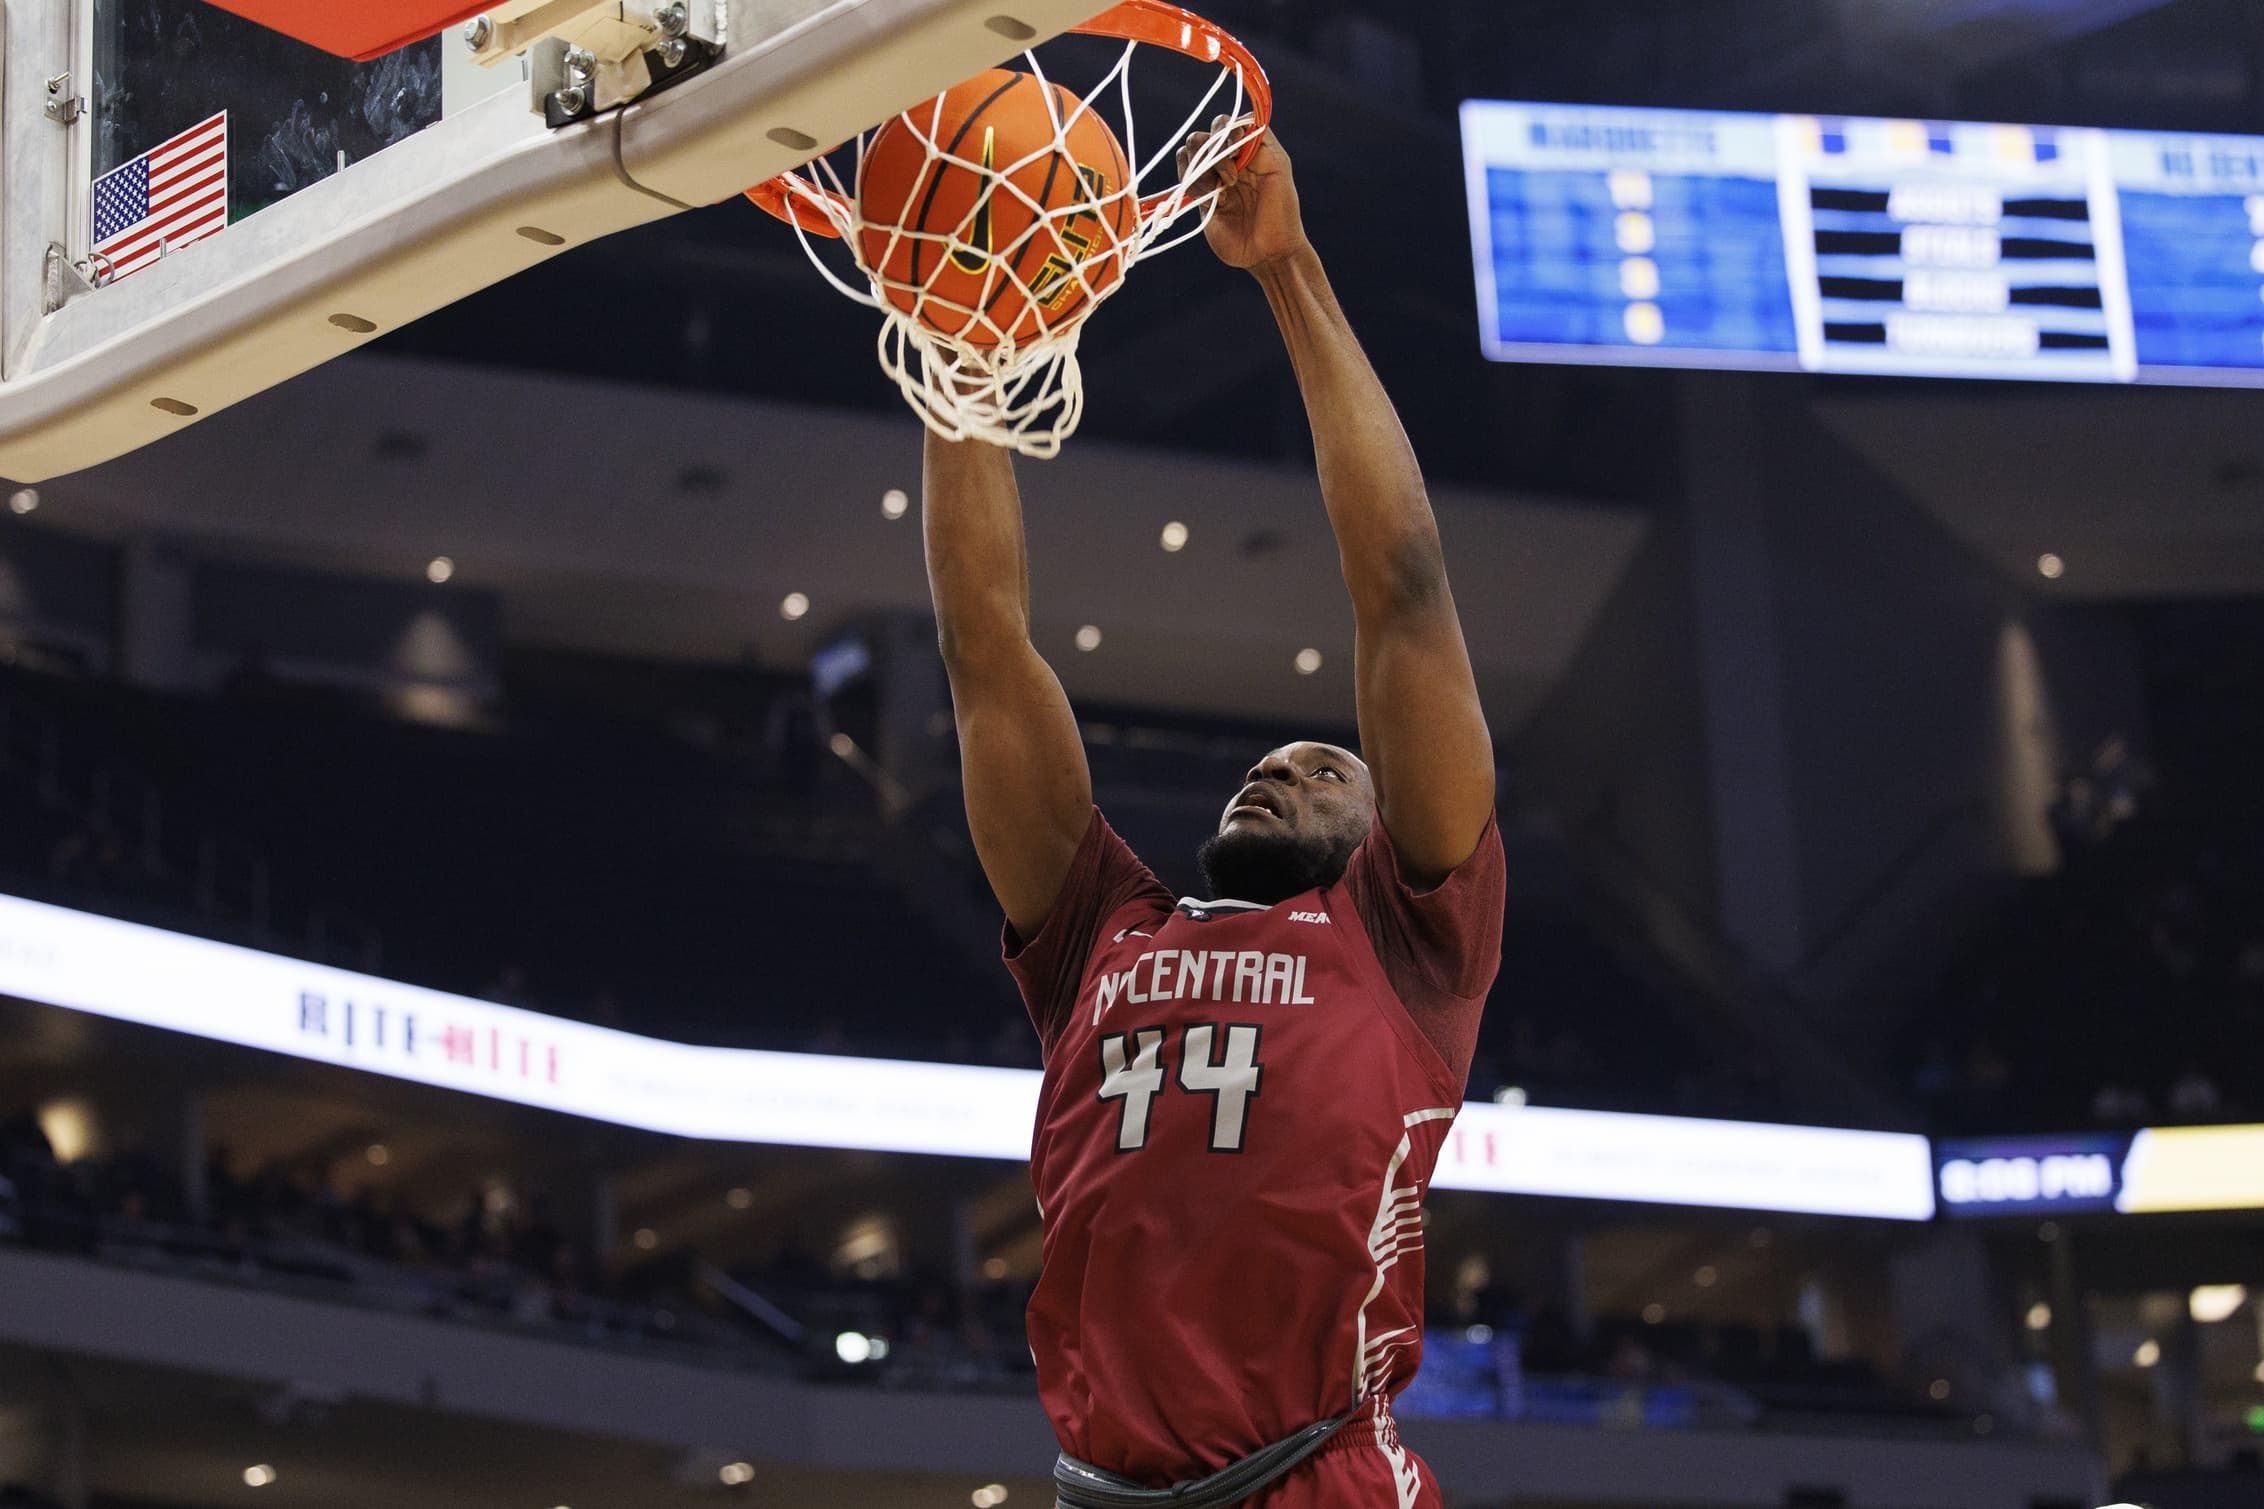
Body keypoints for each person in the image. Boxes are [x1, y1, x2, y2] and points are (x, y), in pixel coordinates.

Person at [922, 124, 1503, 1509]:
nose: (1278, 772)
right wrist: (959, 352)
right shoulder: (1100, 936)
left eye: (1324, 769)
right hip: (1104, 1486)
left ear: (1381, 830)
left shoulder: (1408, 937)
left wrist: (1288, 268)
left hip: (1314, 1478)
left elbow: (1405, 585)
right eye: (1270, 764)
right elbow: (986, 650)